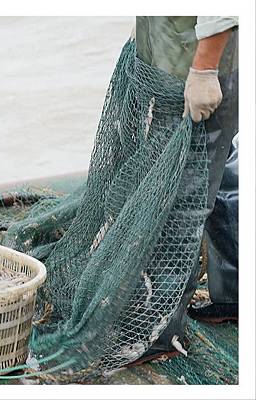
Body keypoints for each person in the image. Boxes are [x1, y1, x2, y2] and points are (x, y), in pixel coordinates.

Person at [133, 16, 238, 361]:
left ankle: (162, 333)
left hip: (203, 71)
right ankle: (234, 293)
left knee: (181, 201)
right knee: (218, 175)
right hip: (178, 68)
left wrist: (206, 69)